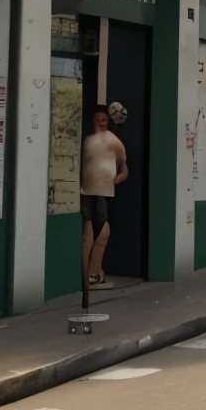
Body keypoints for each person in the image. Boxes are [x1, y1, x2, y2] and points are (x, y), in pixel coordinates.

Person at [80, 106, 128, 290]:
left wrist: (116, 177)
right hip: (91, 191)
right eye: (97, 120)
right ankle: (92, 274)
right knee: (94, 234)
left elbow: (123, 167)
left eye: (104, 120)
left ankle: (93, 273)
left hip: (100, 191)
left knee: (97, 233)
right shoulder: (91, 140)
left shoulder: (109, 140)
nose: (100, 123)